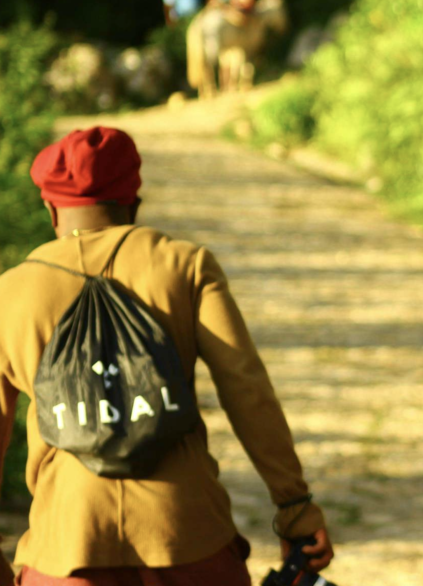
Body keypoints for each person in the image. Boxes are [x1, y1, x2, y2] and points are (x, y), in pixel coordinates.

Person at [0, 127, 333, 584]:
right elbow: (245, 386)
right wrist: (294, 507)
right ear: (132, 200)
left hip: (67, 545)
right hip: (187, 536)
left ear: (50, 206)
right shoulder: (185, 265)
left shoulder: (9, 293)